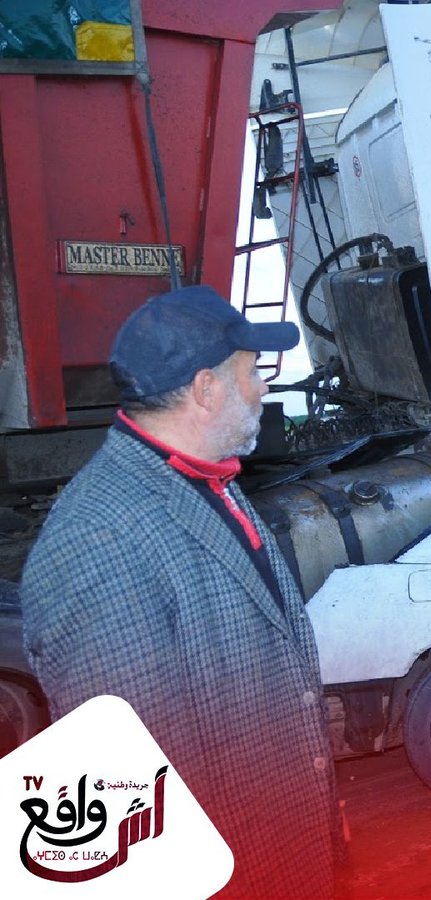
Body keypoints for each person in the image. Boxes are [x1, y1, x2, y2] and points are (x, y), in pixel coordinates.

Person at [20, 286, 345, 896]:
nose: (264, 388)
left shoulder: (206, 478)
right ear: (206, 389)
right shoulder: (100, 540)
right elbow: (128, 791)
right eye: (253, 372)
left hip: (284, 851)